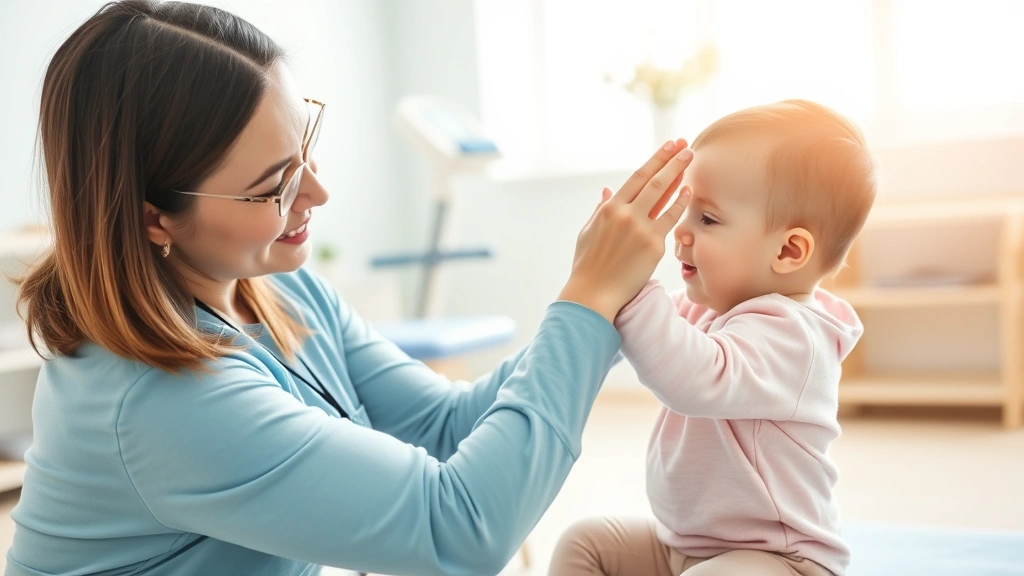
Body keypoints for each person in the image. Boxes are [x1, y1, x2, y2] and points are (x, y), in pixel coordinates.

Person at [4, 1, 694, 575]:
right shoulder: (161, 400)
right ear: (156, 217)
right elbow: (459, 529)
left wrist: (616, 309)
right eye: (273, 185)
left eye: (304, 147)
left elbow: (446, 427)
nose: (317, 192)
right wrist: (585, 302)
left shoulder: (276, 293)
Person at [549, 100, 877, 576]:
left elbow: (692, 377)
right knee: (586, 544)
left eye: (707, 219)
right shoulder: (709, 308)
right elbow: (644, 336)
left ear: (788, 250)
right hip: (685, 545)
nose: (680, 231)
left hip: (780, 559)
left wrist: (634, 287)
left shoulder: (796, 337)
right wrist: (603, 278)